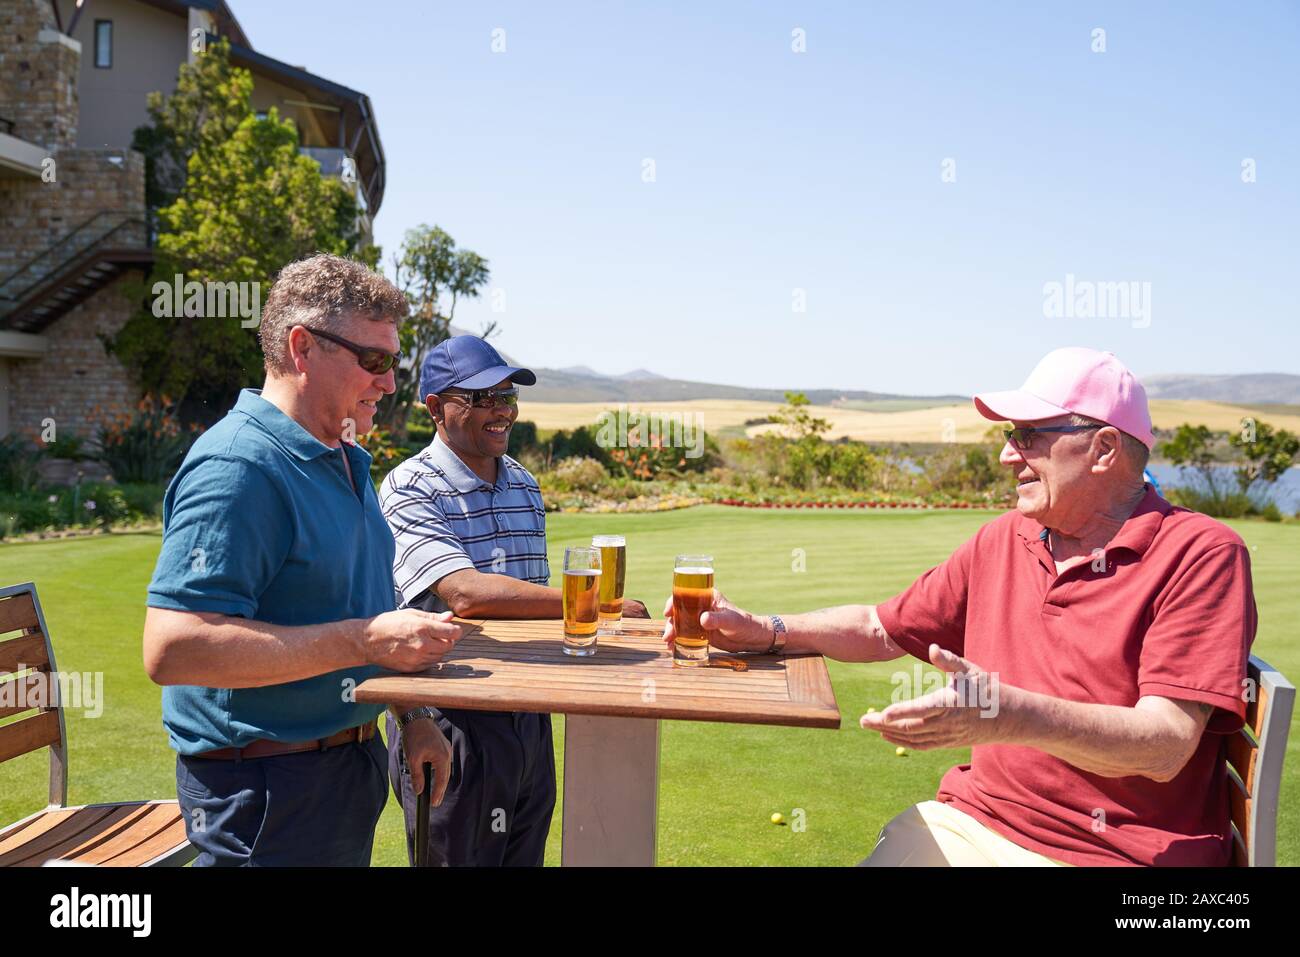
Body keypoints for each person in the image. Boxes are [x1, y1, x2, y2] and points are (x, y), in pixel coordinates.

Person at [664, 347, 1256, 867]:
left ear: (1102, 448)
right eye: (1008, 435)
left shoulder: (1202, 554)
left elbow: (1165, 743)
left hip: (1118, 857)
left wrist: (1011, 715)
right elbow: (880, 627)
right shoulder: (1003, 539)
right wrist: (764, 630)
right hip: (977, 823)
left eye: (1028, 434)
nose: (1007, 454)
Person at [143, 254, 463, 866]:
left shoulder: (343, 454)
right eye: (373, 361)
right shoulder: (239, 466)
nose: (389, 382)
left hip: (343, 770)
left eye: (392, 363)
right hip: (267, 794)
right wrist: (365, 640)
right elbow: (174, 648)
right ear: (302, 347)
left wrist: (412, 712)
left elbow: (360, 610)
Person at [379, 335, 649, 866]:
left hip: (530, 716)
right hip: (449, 718)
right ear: (436, 408)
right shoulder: (410, 486)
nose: (503, 411)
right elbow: (466, 593)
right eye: (483, 399)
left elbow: (527, 603)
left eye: (508, 397)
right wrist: (593, 604)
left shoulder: (523, 483)